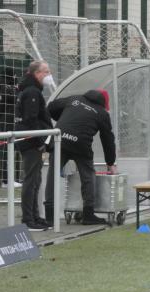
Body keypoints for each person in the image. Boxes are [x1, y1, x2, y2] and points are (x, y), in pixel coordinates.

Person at [44, 89, 117, 225]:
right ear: (105, 103)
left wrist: (64, 119)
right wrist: (110, 162)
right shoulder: (102, 113)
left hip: (61, 139)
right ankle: (88, 215)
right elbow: (108, 140)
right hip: (81, 145)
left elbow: (51, 107)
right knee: (88, 176)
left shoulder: (74, 98)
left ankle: (49, 217)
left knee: (52, 175)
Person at [15, 61, 54, 231]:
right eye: (46, 71)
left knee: (36, 180)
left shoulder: (32, 90)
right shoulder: (31, 91)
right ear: (37, 73)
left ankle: (35, 216)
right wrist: (40, 141)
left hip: (33, 140)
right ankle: (28, 219)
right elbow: (31, 119)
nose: (48, 75)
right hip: (31, 142)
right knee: (31, 180)